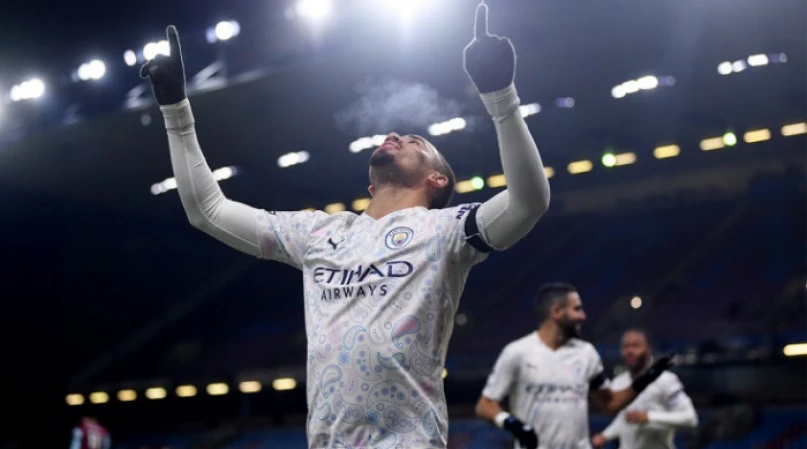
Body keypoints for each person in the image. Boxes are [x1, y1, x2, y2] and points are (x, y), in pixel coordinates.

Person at [140, 3, 551, 448]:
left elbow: (528, 202)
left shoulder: (449, 230)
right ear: (371, 185)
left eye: (414, 141)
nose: (395, 135)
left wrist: (500, 97)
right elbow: (208, 210)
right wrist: (175, 110)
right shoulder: (319, 233)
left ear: (437, 179)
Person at [475, 283, 673, 449]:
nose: (583, 316)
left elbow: (611, 404)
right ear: (556, 311)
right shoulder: (517, 352)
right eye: (577, 309)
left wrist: (647, 378)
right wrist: (511, 423)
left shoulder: (586, 353)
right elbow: (485, 405)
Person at [591, 329, 697, 449]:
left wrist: (649, 417)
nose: (630, 351)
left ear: (648, 349)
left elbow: (690, 418)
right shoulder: (618, 382)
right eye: (626, 347)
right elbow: (624, 419)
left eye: (636, 346)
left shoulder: (666, 380)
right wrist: (605, 436)